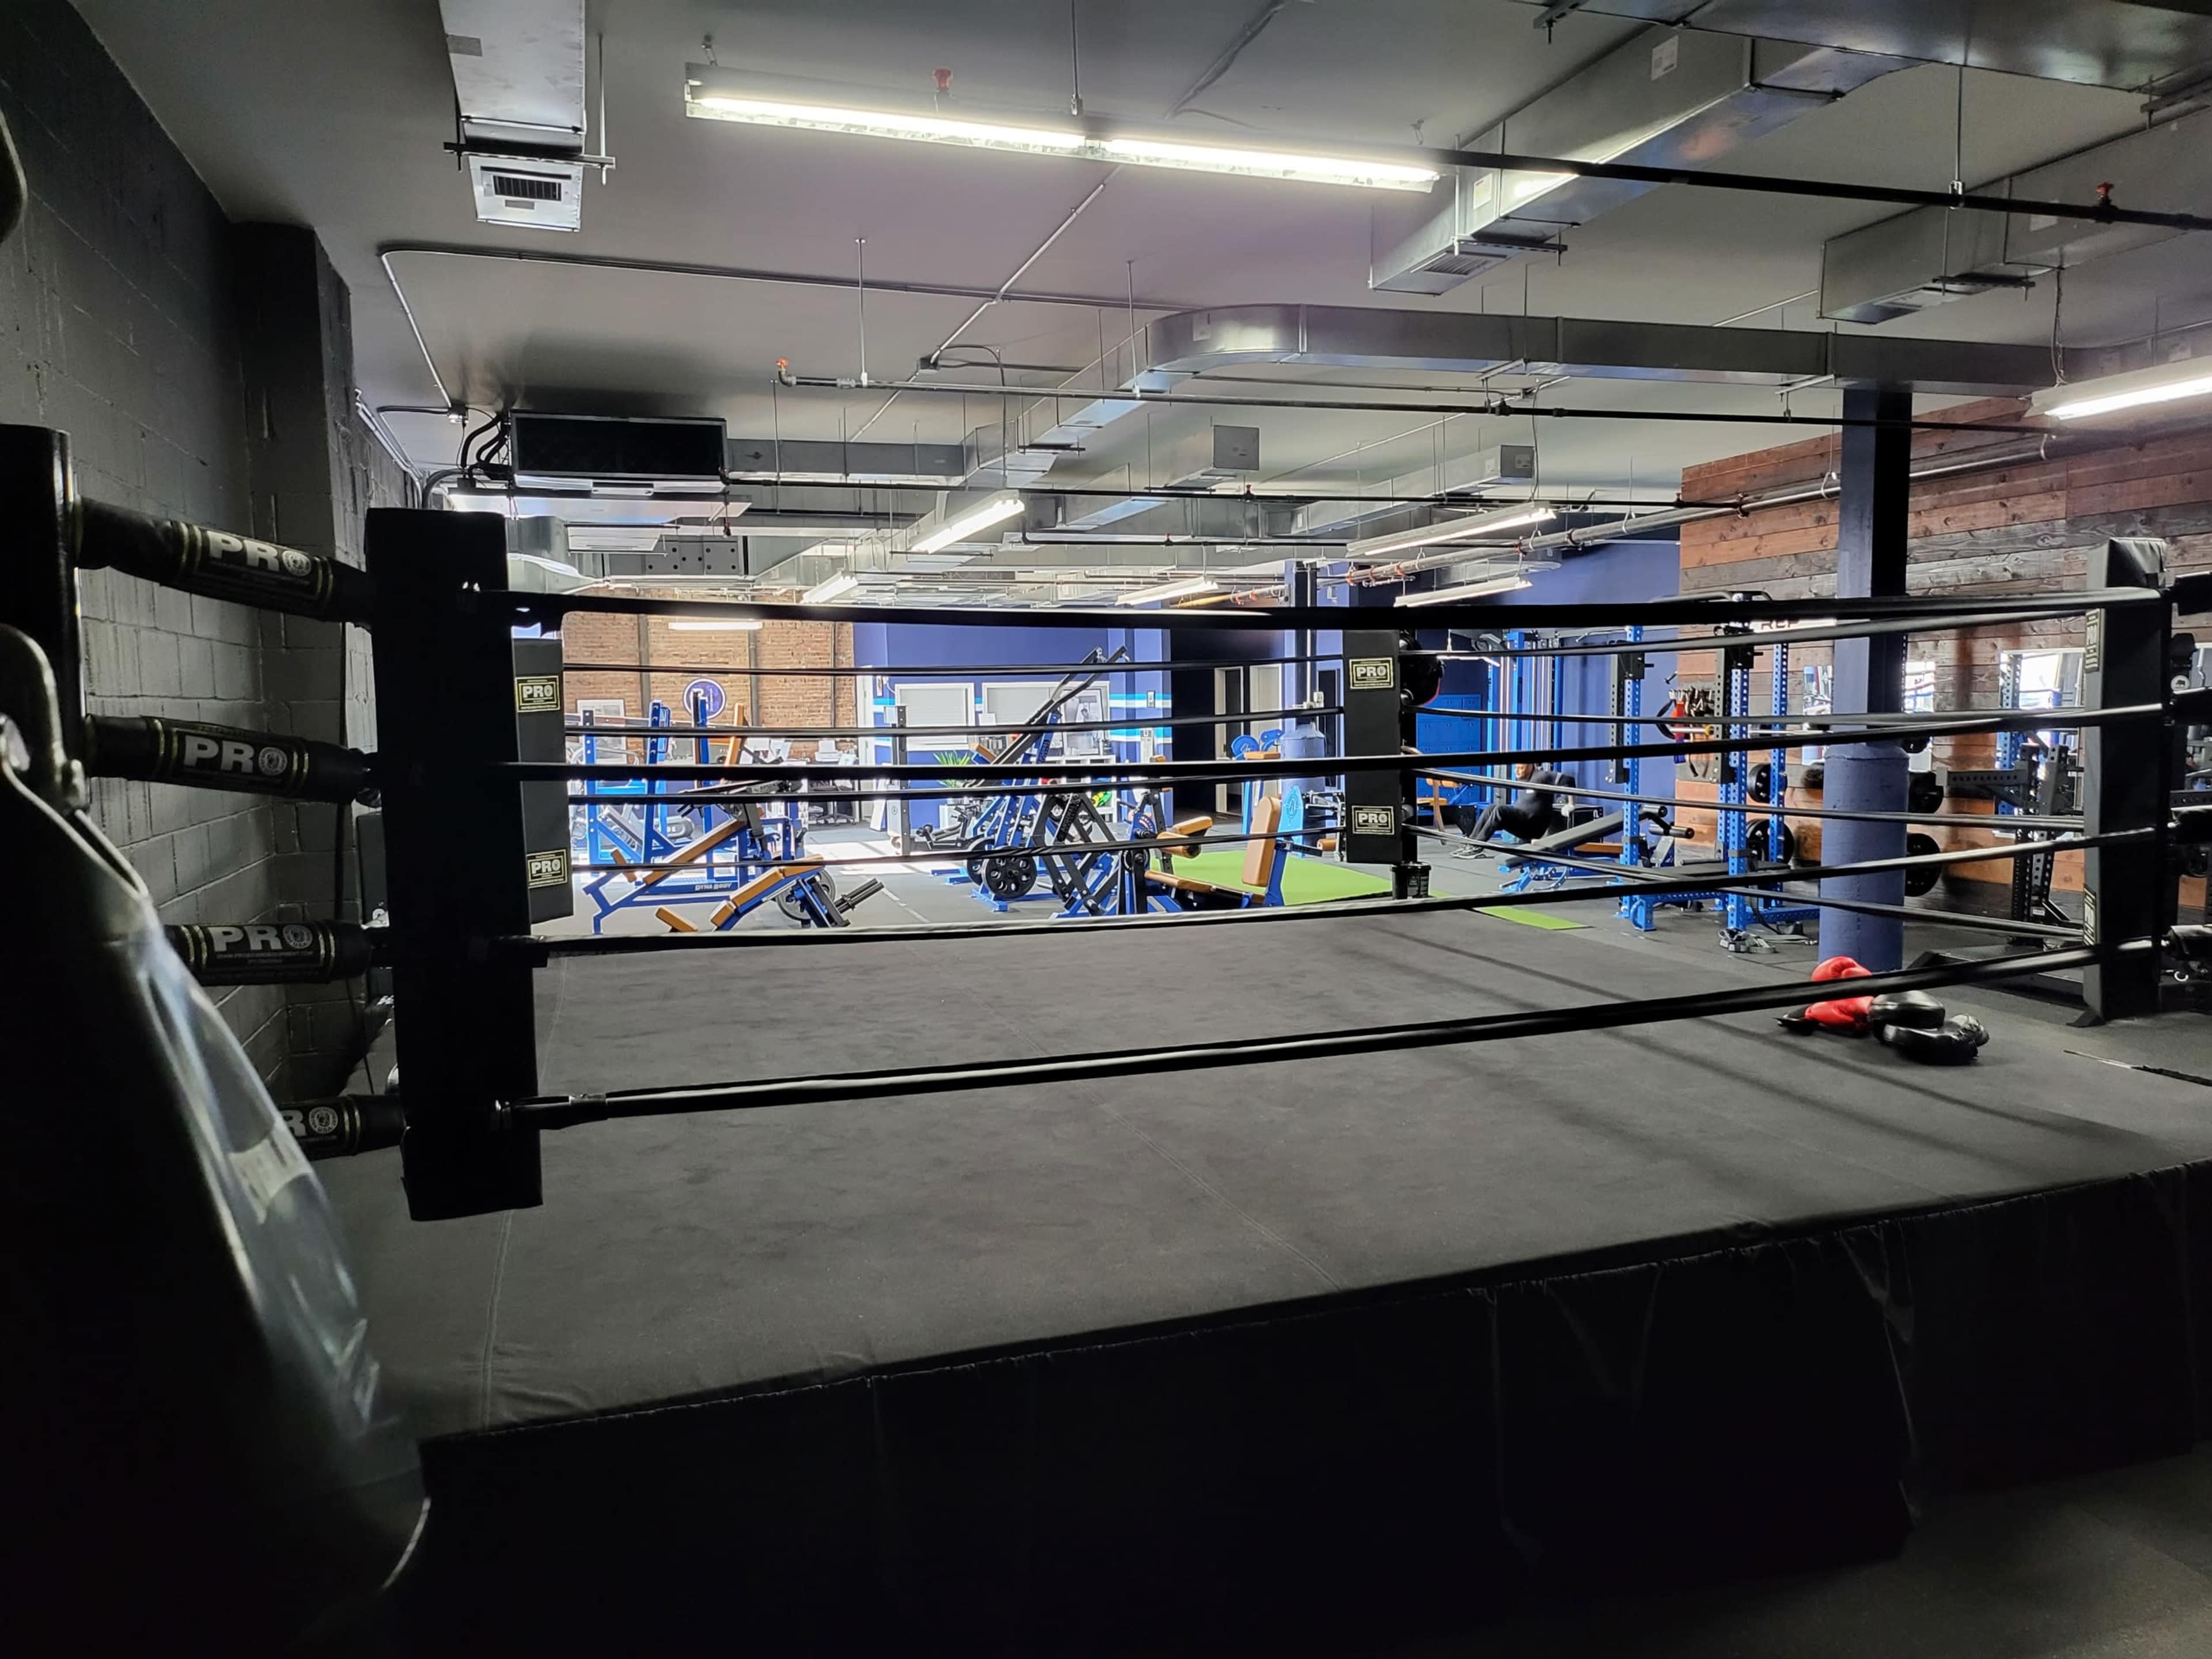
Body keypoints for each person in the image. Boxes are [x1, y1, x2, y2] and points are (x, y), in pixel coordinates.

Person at [1470, 762, 1573, 844]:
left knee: (1500, 810)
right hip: (1522, 820)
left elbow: (1569, 780)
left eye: (1521, 768)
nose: (1517, 771)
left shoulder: (1542, 776)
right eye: (1516, 768)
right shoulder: (1523, 779)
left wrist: (1571, 804)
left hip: (1534, 825)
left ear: (1530, 767)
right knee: (1491, 808)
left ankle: (1478, 845)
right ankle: (1471, 842)